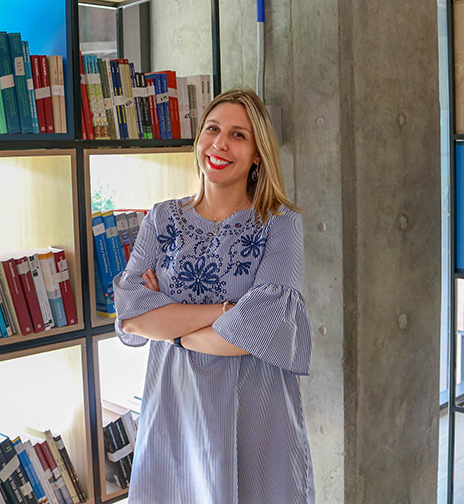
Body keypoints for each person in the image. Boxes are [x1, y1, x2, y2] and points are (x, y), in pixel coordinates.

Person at [113, 88, 314, 503]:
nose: (220, 143)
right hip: (175, 413)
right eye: (212, 129)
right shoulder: (161, 217)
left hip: (255, 417)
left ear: (258, 154)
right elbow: (131, 319)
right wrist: (229, 312)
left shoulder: (278, 225)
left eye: (239, 135)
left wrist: (169, 324)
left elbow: (262, 332)